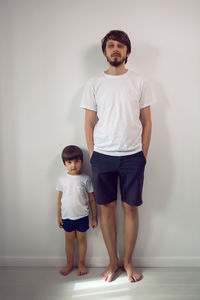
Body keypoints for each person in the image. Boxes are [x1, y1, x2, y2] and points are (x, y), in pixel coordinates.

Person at [80, 30, 154, 282]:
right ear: (104, 52)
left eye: (121, 46)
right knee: (107, 209)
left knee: (130, 208)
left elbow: (147, 121)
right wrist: (93, 153)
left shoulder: (140, 82)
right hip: (102, 156)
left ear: (127, 52)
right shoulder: (93, 83)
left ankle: (129, 262)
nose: (116, 49)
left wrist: (143, 154)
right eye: (111, 45)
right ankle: (113, 262)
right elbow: (89, 123)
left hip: (133, 156)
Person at [56, 145, 98, 276]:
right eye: (69, 162)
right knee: (69, 240)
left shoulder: (86, 179)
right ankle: (69, 264)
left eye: (76, 161)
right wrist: (59, 216)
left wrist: (95, 217)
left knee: (81, 240)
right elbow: (59, 199)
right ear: (64, 163)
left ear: (81, 162)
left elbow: (92, 199)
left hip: (82, 216)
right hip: (67, 216)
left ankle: (81, 264)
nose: (73, 165)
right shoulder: (62, 179)